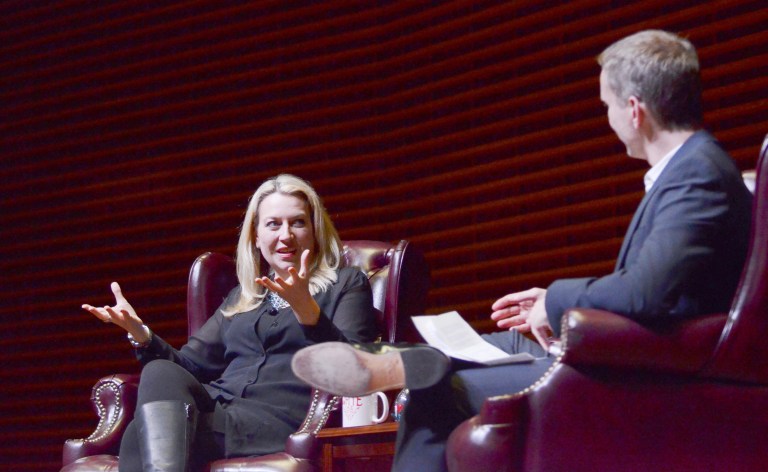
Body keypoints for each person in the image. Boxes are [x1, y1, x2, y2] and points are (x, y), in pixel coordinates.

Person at [290, 30, 753, 472]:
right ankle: (405, 357)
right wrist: (548, 304)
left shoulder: (697, 177)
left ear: (635, 111)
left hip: (643, 377)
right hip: (634, 355)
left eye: (606, 105)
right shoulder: (693, 171)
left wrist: (556, 301)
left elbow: (646, 293)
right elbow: (658, 285)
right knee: (504, 344)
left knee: (432, 393)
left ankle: (401, 365)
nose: (607, 116)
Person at [82, 174, 378, 472]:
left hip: (280, 421)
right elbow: (188, 368)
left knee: (138, 435)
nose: (285, 235)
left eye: (298, 222)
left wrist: (309, 314)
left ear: (314, 230)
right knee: (159, 374)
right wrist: (141, 335)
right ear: (257, 237)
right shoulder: (242, 298)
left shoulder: (345, 283)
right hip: (224, 411)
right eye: (273, 224)